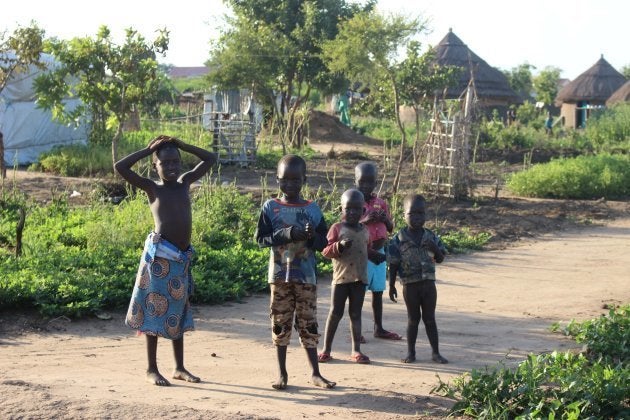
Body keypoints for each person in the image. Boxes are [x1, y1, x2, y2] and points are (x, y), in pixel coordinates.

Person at [114, 134, 217, 386]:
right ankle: (151, 368)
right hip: (160, 259)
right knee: (154, 310)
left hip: (181, 259)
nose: (171, 167)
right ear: (155, 166)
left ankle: (179, 367)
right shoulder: (153, 188)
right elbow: (120, 167)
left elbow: (211, 158)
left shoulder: (184, 182)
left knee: (177, 312)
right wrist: (148, 149)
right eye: (165, 162)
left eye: (175, 161)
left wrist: (182, 145)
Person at [254, 154, 335, 390]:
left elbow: (325, 243)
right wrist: (287, 234)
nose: (289, 185)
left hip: (306, 277)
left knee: (308, 323)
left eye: (295, 180)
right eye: (284, 180)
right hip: (279, 277)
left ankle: (315, 373)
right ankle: (282, 373)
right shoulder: (271, 207)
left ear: (304, 179)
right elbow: (260, 239)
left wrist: (311, 237)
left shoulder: (312, 209)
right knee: (280, 323)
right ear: (276, 179)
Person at [318, 189, 386, 364]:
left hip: (359, 279)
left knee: (355, 314)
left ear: (363, 211)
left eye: (357, 209)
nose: (353, 213)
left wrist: (375, 256)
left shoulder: (364, 230)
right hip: (341, 279)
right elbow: (326, 251)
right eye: (348, 209)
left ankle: (356, 350)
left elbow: (365, 249)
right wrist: (339, 246)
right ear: (342, 209)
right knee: (335, 313)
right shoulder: (337, 228)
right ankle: (326, 349)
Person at [388, 194, 448, 364]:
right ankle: (411, 352)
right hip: (410, 285)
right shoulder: (398, 239)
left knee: (430, 318)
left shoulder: (430, 236)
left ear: (426, 215)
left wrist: (436, 249)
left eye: (420, 213)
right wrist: (392, 286)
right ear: (404, 215)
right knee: (413, 319)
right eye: (412, 213)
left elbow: (441, 258)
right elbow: (393, 264)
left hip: (429, 284)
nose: (416, 217)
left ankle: (436, 353)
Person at [354, 161, 401, 342]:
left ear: (376, 182)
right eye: (362, 182)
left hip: (379, 254)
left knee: (378, 291)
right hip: (363, 254)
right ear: (355, 181)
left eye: (370, 182)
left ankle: (378, 327)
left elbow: (389, 227)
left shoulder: (381, 203)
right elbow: (347, 226)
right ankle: (356, 331)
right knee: (359, 293)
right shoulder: (353, 202)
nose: (366, 186)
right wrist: (365, 219)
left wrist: (384, 219)